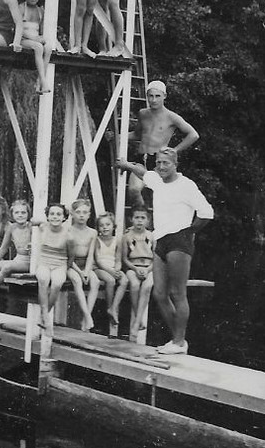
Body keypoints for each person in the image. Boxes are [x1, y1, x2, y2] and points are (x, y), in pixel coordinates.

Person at [115, 147, 214, 354]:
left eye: (166, 163)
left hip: (179, 241)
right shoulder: (156, 179)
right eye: (158, 162)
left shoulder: (186, 185)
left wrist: (190, 231)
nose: (161, 166)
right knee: (159, 294)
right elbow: (142, 172)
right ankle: (177, 340)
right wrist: (125, 165)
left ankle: (178, 342)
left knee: (177, 293)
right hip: (160, 240)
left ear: (175, 164)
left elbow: (207, 212)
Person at [125, 80, 200, 205]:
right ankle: (142, 223)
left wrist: (175, 150)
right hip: (140, 160)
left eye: (157, 96)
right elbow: (137, 134)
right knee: (133, 190)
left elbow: (193, 135)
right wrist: (118, 136)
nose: (154, 100)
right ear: (147, 96)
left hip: (158, 163)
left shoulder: (171, 116)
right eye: (151, 96)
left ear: (164, 96)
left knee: (160, 199)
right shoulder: (143, 113)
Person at [33, 203, 74, 330]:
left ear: (64, 217)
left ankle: (43, 315)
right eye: (52, 214)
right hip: (44, 262)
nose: (55, 217)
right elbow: (31, 220)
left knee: (57, 283)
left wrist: (65, 269)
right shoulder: (43, 227)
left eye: (58, 214)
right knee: (43, 279)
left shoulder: (68, 235)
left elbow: (71, 255)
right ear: (47, 216)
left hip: (60, 264)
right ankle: (45, 316)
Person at [65, 198, 100, 332]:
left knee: (95, 281)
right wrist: (80, 273)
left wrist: (86, 271)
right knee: (76, 280)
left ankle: (86, 318)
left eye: (85, 212)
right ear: (72, 214)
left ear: (89, 215)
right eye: (78, 212)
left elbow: (91, 255)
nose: (81, 215)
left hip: (85, 264)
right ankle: (87, 315)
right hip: (70, 264)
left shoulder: (92, 232)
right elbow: (68, 256)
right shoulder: (68, 230)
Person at [91, 212, 129, 329]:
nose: (105, 227)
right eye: (102, 225)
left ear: (113, 226)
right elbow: (98, 261)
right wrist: (111, 272)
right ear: (98, 228)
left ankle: (114, 307)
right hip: (100, 268)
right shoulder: (97, 240)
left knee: (125, 280)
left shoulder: (117, 240)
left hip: (112, 267)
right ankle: (109, 307)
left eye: (108, 224)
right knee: (110, 280)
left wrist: (116, 269)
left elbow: (118, 259)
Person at [122, 205, 155, 338]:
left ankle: (136, 323)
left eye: (143, 218)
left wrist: (147, 269)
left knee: (147, 286)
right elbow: (124, 258)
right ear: (131, 219)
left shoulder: (151, 236)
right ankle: (138, 319)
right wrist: (135, 269)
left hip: (148, 267)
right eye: (137, 218)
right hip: (133, 267)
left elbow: (156, 257)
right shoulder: (127, 237)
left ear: (148, 220)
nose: (140, 221)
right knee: (134, 285)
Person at [15, 0, 53, 94]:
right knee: (39, 47)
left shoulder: (40, 11)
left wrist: (42, 38)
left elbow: (40, 30)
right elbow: (18, 29)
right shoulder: (21, 8)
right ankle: (44, 81)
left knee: (48, 47)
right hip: (23, 39)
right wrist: (34, 39)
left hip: (34, 40)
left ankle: (39, 82)